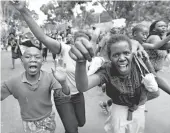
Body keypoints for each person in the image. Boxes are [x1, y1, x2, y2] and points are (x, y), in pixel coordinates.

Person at [10, 1, 102, 133]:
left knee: (81, 122)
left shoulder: (89, 55)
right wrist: (24, 11)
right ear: (72, 42)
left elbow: (100, 42)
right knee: (72, 129)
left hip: (78, 95)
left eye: (85, 43)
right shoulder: (64, 49)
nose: (81, 48)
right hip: (62, 95)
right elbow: (42, 37)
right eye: (78, 43)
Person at [70, 34, 170, 133]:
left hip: (139, 108)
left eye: (126, 53)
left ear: (132, 53)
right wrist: (81, 62)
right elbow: (83, 86)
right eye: (116, 55)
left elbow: (156, 79)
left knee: (136, 129)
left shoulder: (139, 63)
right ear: (110, 58)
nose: (122, 58)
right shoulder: (107, 70)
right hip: (119, 110)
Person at [1, 47, 70, 133]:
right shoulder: (14, 82)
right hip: (29, 123)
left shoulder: (49, 77)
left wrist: (63, 82)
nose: (33, 60)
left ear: (42, 62)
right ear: (22, 61)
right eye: (28, 57)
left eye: (37, 57)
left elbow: (64, 96)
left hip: (48, 120)